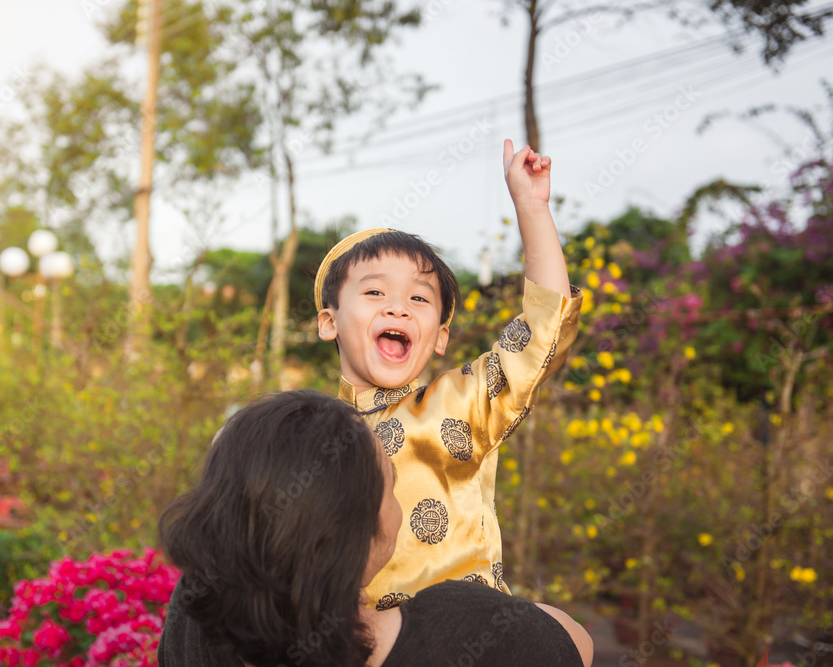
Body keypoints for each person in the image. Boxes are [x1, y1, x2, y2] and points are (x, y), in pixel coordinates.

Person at [312, 140, 584, 608]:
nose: (398, 305)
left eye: (419, 298)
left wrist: (532, 207)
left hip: (465, 641)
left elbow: (546, 330)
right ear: (329, 321)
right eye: (375, 292)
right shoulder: (307, 433)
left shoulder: (465, 401)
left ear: (439, 336)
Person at [157, 390, 593, 667]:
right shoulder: (467, 629)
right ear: (360, 532)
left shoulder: (196, 615)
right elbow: (573, 641)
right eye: (391, 485)